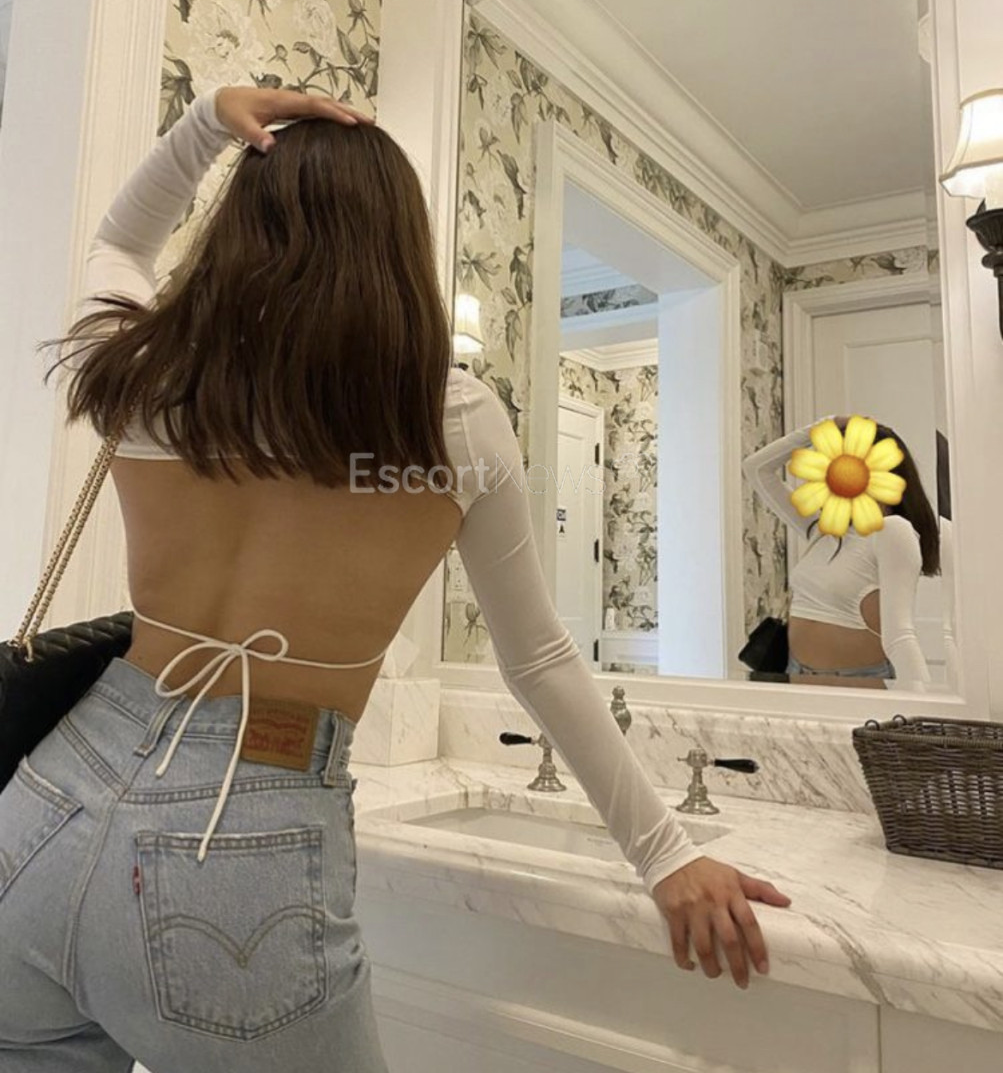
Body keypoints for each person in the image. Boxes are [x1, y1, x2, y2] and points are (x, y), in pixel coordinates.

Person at [0, 86, 789, 1072]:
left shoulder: (148, 376)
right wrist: (665, 853)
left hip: (44, 807)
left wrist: (209, 121)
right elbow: (538, 658)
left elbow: (120, 241)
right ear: (397, 248)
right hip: (238, 833)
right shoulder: (449, 421)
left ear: (239, 229)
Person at [744, 415, 940, 690]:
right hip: (796, 676)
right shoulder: (824, 530)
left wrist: (926, 708)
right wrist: (824, 426)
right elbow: (756, 468)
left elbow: (900, 636)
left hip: (861, 682)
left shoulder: (892, 531)